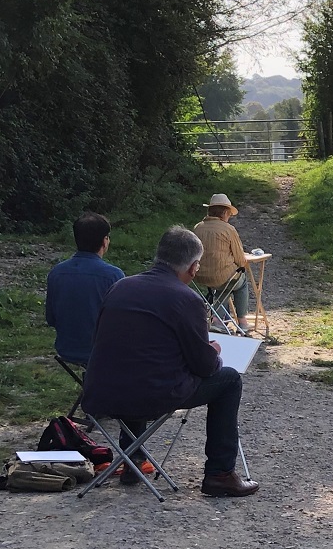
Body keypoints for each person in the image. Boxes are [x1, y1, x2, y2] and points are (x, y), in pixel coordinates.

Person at [81, 226, 259, 496]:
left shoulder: (120, 287)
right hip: (151, 397)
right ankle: (220, 474)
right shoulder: (186, 298)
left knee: (136, 365)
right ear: (193, 268)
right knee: (230, 380)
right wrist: (213, 349)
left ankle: (133, 460)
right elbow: (205, 367)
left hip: (101, 393)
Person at [44, 212, 124, 365]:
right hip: (102, 351)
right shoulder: (114, 275)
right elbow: (122, 322)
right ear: (104, 241)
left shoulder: (57, 272)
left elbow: (51, 318)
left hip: (66, 349)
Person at [193, 193, 251, 331]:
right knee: (239, 281)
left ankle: (219, 320)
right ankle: (242, 322)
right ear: (225, 213)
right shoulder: (228, 229)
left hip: (198, 276)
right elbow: (240, 258)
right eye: (229, 215)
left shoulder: (197, 228)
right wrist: (243, 265)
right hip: (222, 277)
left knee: (222, 285)